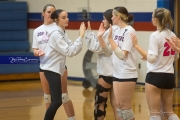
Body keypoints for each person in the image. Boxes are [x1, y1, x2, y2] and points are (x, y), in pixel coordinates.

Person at [32, 5, 85, 120]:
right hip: (49, 67)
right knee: (53, 100)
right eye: (64, 17)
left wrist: (80, 38)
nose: (67, 19)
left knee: (60, 98)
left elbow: (72, 49)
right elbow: (70, 51)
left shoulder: (60, 32)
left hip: (57, 67)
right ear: (43, 13)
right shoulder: (52, 32)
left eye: (67, 17)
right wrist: (80, 37)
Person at [131, 8, 179, 120]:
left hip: (155, 76)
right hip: (169, 76)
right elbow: (175, 56)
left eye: (152, 16)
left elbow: (152, 59)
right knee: (169, 112)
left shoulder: (155, 35)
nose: (151, 19)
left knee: (154, 113)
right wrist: (148, 56)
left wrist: (136, 45)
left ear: (156, 19)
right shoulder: (172, 34)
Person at [99, 6, 137, 120]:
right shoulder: (116, 30)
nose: (111, 18)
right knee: (118, 106)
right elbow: (109, 53)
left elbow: (121, 55)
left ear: (118, 17)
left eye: (112, 16)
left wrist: (110, 39)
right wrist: (100, 37)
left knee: (126, 108)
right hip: (117, 72)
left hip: (127, 72)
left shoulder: (129, 31)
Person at [84, 9, 120, 120]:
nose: (102, 21)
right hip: (119, 74)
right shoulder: (122, 31)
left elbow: (97, 48)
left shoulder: (109, 31)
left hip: (107, 74)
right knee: (117, 106)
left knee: (100, 104)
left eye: (104, 19)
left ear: (110, 20)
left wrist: (89, 33)